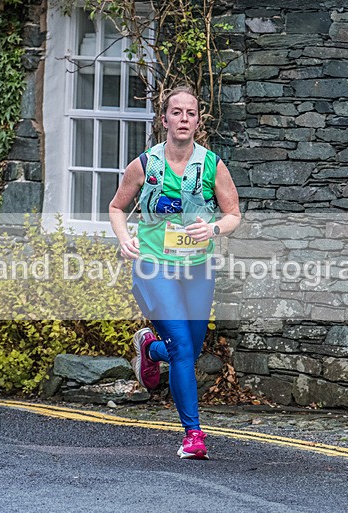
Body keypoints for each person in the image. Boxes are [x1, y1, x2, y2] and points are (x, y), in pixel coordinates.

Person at [109, 85, 240, 459]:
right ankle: (193, 435)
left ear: (198, 121)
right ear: (164, 119)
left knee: (190, 349)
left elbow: (233, 215)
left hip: (198, 267)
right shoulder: (145, 165)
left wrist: (213, 229)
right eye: (176, 112)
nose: (183, 119)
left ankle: (149, 348)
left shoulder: (212, 165)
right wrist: (124, 239)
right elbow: (117, 207)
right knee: (182, 347)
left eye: (191, 113)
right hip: (154, 265)